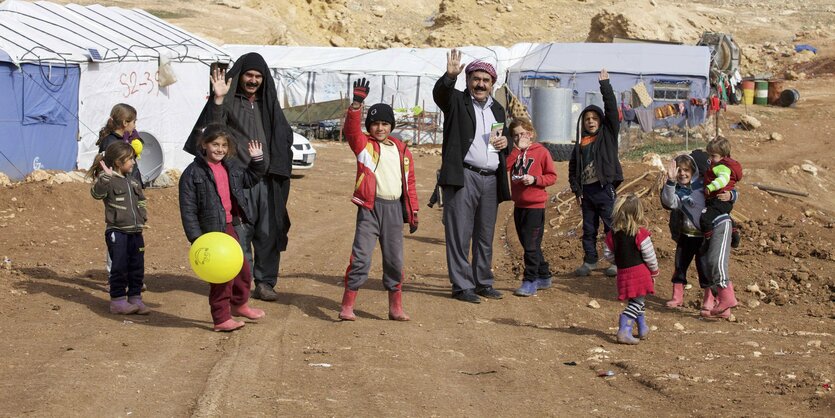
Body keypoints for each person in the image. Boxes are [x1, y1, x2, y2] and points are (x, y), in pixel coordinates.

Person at [185, 54, 294, 302]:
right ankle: (237, 282)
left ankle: (265, 282)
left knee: (268, 233)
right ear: (240, 76)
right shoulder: (228, 103)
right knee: (240, 234)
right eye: (249, 75)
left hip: (266, 182)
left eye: (258, 77)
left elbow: (283, 137)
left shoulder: (269, 105)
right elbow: (211, 131)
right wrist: (219, 98)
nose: (253, 81)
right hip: (238, 181)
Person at [433, 49, 511, 303]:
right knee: (460, 233)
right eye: (476, 79)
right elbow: (440, 94)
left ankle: (482, 282)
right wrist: (449, 76)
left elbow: (502, 140)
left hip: (490, 178)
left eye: (485, 80)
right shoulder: (456, 100)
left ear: (492, 84)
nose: (480, 84)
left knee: (484, 234)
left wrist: (505, 144)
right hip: (463, 176)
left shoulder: (498, 109)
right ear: (468, 81)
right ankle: (461, 285)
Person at [338, 78, 419, 322]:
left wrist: (413, 211)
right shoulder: (364, 146)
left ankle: (395, 306)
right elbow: (351, 131)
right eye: (375, 124)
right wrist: (356, 106)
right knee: (361, 257)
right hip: (371, 209)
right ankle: (347, 305)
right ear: (369, 126)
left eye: (385, 123)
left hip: (394, 210)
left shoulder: (402, 150)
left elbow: (410, 184)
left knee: (395, 260)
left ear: (391, 125)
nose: (380, 128)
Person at [179, 124, 267, 332]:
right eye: (215, 144)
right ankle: (221, 318)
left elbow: (249, 179)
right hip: (211, 233)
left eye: (224, 145)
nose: (219, 149)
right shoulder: (192, 174)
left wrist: (257, 160)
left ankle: (239, 304)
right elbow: (188, 210)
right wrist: (197, 239)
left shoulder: (231, 167)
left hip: (231, 226)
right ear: (204, 144)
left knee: (244, 270)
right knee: (222, 276)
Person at [661, 151, 737, 314]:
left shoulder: (704, 185)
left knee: (706, 268)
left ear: (693, 170)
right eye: (679, 171)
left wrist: (731, 195)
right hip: (686, 235)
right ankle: (677, 297)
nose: (683, 174)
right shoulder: (678, 191)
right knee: (680, 265)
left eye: (686, 170)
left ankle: (711, 300)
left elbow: (726, 192)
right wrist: (670, 181)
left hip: (704, 235)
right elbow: (669, 202)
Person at [568, 69, 623, 278]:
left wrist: (605, 86)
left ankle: (615, 261)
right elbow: (573, 167)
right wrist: (576, 190)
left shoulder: (607, 135)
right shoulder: (581, 142)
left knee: (610, 226)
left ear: (600, 121)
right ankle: (589, 260)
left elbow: (611, 109)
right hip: (587, 192)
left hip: (604, 188)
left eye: (594, 118)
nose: (590, 121)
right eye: (587, 119)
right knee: (589, 229)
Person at [88, 142, 149, 315]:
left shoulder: (133, 182)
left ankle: (135, 298)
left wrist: (142, 213)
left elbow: (141, 200)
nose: (133, 163)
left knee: (137, 266)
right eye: (130, 159)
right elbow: (96, 194)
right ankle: (118, 301)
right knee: (120, 267)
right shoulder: (108, 180)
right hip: (118, 232)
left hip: (136, 232)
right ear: (117, 162)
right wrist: (104, 180)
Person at [506, 118, 557, 297]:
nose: (520, 137)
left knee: (530, 246)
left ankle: (530, 280)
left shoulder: (541, 152)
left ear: (531, 133)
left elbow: (552, 176)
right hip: (519, 204)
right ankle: (544, 275)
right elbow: (505, 166)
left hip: (535, 206)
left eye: (523, 133)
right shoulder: (515, 153)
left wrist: (535, 180)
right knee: (530, 244)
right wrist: (516, 150)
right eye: (516, 135)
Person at [602, 194, 658, 345]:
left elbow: (607, 254)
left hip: (623, 274)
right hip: (640, 273)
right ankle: (624, 329)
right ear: (637, 213)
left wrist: (619, 261)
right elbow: (649, 256)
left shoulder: (612, 235)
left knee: (637, 299)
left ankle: (642, 327)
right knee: (637, 302)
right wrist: (654, 271)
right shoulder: (641, 234)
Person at [700, 136, 743, 317]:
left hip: (720, 221)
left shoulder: (721, 168)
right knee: (709, 263)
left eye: (714, 155)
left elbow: (724, 181)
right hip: (715, 217)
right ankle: (723, 304)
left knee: (717, 263)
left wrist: (720, 190)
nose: (711, 159)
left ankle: (726, 299)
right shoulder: (711, 168)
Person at [96, 103, 144, 187]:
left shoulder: (123, 141)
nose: (135, 126)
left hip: (129, 188)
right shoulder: (111, 142)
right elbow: (111, 169)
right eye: (134, 122)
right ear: (125, 123)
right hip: (119, 189)